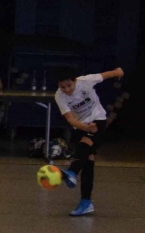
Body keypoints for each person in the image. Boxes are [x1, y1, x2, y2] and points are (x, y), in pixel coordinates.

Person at [53, 65, 125, 217]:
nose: (66, 89)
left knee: (85, 144)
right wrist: (85, 127)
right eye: (63, 87)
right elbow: (70, 119)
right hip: (82, 125)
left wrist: (117, 72)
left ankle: (72, 172)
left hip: (98, 119)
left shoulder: (85, 81)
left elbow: (104, 75)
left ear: (75, 81)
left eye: (69, 85)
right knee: (87, 162)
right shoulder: (59, 96)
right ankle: (86, 202)